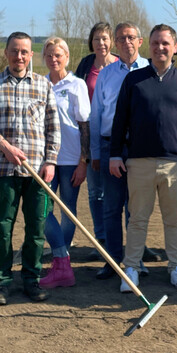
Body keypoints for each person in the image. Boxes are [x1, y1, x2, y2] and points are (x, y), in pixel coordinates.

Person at [110, 24, 177, 292]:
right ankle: (131, 268)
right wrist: (115, 154)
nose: (160, 48)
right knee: (137, 218)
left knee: (174, 219)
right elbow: (120, 121)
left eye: (166, 43)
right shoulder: (133, 80)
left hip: (176, 164)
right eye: (155, 43)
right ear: (148, 46)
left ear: (175, 48)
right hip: (139, 163)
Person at [0, 31, 60, 306]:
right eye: (14, 51)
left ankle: (32, 280)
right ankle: (1, 283)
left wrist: (51, 161)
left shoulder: (43, 86)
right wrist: (3, 146)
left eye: (24, 52)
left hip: (36, 171)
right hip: (2, 170)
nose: (19, 56)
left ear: (31, 55)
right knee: (3, 228)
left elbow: (52, 127)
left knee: (36, 229)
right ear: (6, 53)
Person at [89, 21, 150, 280]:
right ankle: (113, 261)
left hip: (140, 147)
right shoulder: (106, 74)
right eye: (121, 38)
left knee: (136, 208)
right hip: (109, 145)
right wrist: (94, 152)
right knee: (111, 207)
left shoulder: (150, 69)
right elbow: (96, 115)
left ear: (140, 41)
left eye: (131, 38)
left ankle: (135, 260)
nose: (126, 43)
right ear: (115, 42)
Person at [39, 37, 91, 289]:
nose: (54, 59)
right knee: (42, 208)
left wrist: (84, 161)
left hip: (71, 159)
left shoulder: (77, 84)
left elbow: (84, 124)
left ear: (67, 57)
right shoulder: (39, 84)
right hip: (46, 158)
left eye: (58, 55)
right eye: (49, 55)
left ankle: (62, 260)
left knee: (68, 209)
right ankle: (61, 255)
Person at [74, 22, 117, 259]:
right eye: (96, 39)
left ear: (111, 41)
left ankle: (130, 242)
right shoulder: (85, 65)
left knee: (126, 193)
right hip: (90, 136)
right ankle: (101, 240)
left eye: (105, 38)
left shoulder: (121, 65)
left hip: (115, 135)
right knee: (96, 192)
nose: (100, 43)